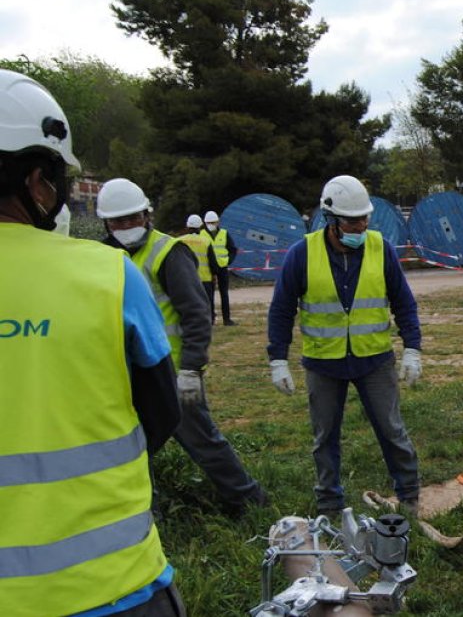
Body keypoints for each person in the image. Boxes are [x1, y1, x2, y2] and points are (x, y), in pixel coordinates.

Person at [0, 69, 186, 615]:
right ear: (37, 180)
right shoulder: (108, 274)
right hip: (112, 583)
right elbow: (160, 412)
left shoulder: (165, 253)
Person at [97, 178, 268, 517]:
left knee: (202, 440)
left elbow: (196, 313)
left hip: (172, 373)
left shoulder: (168, 253)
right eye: (118, 221)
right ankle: (147, 512)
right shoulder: (103, 256)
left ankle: (247, 500)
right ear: (107, 223)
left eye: (133, 218)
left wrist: (192, 368)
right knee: (133, 448)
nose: (127, 226)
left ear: (147, 215)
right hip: (126, 374)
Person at [267, 174, 423, 517]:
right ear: (331, 219)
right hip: (324, 363)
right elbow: (281, 310)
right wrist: (277, 358)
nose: (360, 225)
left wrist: (412, 347)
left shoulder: (381, 249)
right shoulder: (301, 254)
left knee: (391, 429)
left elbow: (403, 302)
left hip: (374, 359)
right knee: (324, 438)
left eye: (364, 218)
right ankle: (330, 503)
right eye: (352, 220)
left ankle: (409, 495)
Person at [201, 209, 237, 326]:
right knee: (209, 295)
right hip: (208, 268)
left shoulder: (224, 233)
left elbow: (232, 249)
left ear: (218, 222)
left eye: (213, 222)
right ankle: (211, 319)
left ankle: (227, 319)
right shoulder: (202, 234)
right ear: (205, 223)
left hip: (222, 267)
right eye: (208, 223)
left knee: (224, 294)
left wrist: (228, 261)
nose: (211, 225)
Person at [179, 214, 213, 309]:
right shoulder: (206, 241)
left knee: (190, 303)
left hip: (186, 278)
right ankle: (210, 319)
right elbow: (212, 262)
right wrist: (215, 274)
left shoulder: (179, 241)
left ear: (187, 226)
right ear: (199, 227)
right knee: (207, 302)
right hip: (205, 278)